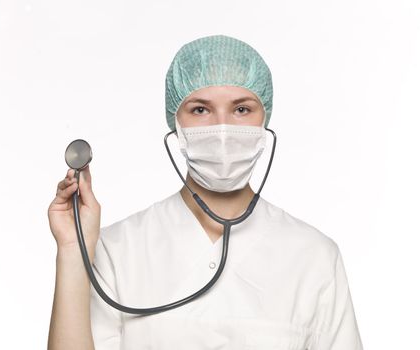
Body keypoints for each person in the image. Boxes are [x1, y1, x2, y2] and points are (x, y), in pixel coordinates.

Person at [47, 34, 364, 350]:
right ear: (176, 122)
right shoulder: (118, 249)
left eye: (241, 109)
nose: (222, 129)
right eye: (200, 110)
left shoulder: (314, 256)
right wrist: (74, 251)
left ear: (264, 117)